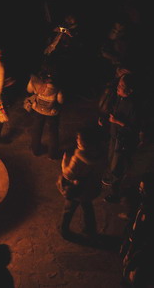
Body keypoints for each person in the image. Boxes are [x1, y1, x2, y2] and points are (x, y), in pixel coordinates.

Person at [99, 73, 140, 203]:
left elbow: (134, 128)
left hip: (122, 141)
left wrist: (117, 121)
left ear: (130, 90)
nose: (118, 87)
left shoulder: (133, 106)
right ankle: (112, 176)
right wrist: (106, 120)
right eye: (119, 83)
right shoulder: (119, 97)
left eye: (122, 86)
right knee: (112, 161)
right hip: (114, 136)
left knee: (118, 167)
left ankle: (115, 194)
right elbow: (113, 112)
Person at [58, 127, 103, 239]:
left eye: (79, 138)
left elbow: (68, 174)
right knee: (87, 207)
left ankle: (64, 230)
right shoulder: (100, 154)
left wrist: (64, 163)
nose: (77, 140)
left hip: (77, 189)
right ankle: (90, 230)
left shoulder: (79, 157)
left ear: (86, 141)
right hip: (91, 187)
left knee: (68, 209)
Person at [120, 174, 154, 288]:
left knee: (133, 274)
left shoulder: (148, 211)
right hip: (138, 245)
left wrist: (130, 252)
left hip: (141, 249)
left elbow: (139, 234)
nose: (140, 191)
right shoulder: (144, 204)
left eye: (142, 189)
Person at [26, 64, 63, 159]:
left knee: (37, 129)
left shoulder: (36, 82)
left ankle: (36, 149)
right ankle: (52, 154)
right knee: (53, 132)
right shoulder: (57, 87)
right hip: (51, 112)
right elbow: (60, 100)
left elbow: (29, 90)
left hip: (38, 110)